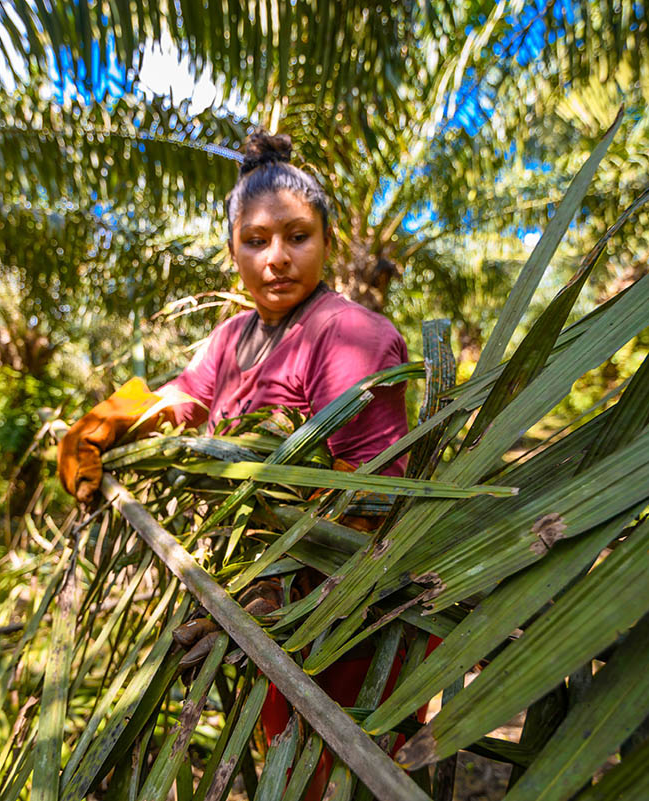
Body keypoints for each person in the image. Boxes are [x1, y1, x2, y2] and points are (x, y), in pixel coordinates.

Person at [58, 131, 412, 798]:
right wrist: (108, 420)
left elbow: (372, 499)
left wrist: (274, 590)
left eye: (297, 235)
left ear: (328, 241)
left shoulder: (350, 333)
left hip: (345, 622)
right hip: (260, 621)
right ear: (233, 254)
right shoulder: (234, 337)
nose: (276, 257)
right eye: (256, 240)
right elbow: (187, 395)